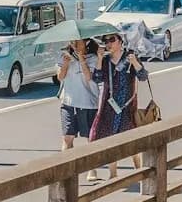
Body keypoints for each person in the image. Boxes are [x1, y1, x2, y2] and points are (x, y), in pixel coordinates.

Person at [90, 32, 149, 182]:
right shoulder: (106, 60)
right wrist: (99, 59)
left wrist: (135, 62)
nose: (108, 43)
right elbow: (96, 78)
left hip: (127, 105)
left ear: (120, 41)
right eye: (106, 40)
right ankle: (113, 173)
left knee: (132, 139)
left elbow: (143, 76)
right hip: (109, 105)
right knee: (110, 139)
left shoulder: (130, 57)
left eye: (112, 40)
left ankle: (138, 169)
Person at [58, 39, 103, 179]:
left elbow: (89, 77)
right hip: (68, 102)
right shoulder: (64, 56)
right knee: (67, 138)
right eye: (72, 42)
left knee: (90, 138)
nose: (75, 45)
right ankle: (66, 171)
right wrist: (65, 64)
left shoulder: (93, 58)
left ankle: (92, 169)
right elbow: (60, 77)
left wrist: (82, 60)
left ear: (86, 43)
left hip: (88, 103)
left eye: (78, 42)